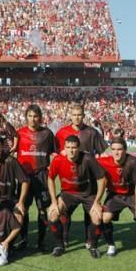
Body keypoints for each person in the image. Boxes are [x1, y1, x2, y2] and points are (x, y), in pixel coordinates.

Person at [55, 103, 107, 247]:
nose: (77, 118)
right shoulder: (61, 133)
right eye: (74, 115)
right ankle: (64, 238)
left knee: (90, 213)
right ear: (70, 116)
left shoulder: (92, 132)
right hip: (69, 179)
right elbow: (55, 152)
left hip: (89, 178)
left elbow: (102, 152)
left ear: (83, 116)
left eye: (79, 115)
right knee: (65, 212)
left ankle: (89, 240)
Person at [47, 135, 106, 258]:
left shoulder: (88, 159)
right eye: (68, 147)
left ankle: (93, 246)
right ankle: (59, 245)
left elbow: (102, 179)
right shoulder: (58, 160)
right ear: (64, 148)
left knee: (97, 217)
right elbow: (50, 178)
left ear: (79, 148)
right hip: (68, 194)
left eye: (74, 147)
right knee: (52, 214)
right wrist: (53, 201)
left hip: (88, 194)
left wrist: (97, 201)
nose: (71, 150)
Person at [16, 104, 57, 250]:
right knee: (23, 209)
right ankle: (23, 240)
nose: (32, 119)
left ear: (40, 117)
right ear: (26, 117)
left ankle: (41, 241)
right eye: (30, 116)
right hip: (24, 177)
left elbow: (56, 153)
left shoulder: (47, 133)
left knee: (42, 210)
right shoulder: (19, 133)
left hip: (41, 176)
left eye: (35, 116)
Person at [97, 137, 136, 256]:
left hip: (131, 195)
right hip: (114, 196)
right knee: (105, 218)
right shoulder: (104, 161)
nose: (116, 152)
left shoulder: (133, 161)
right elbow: (86, 159)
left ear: (125, 150)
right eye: (113, 149)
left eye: (119, 149)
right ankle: (111, 245)